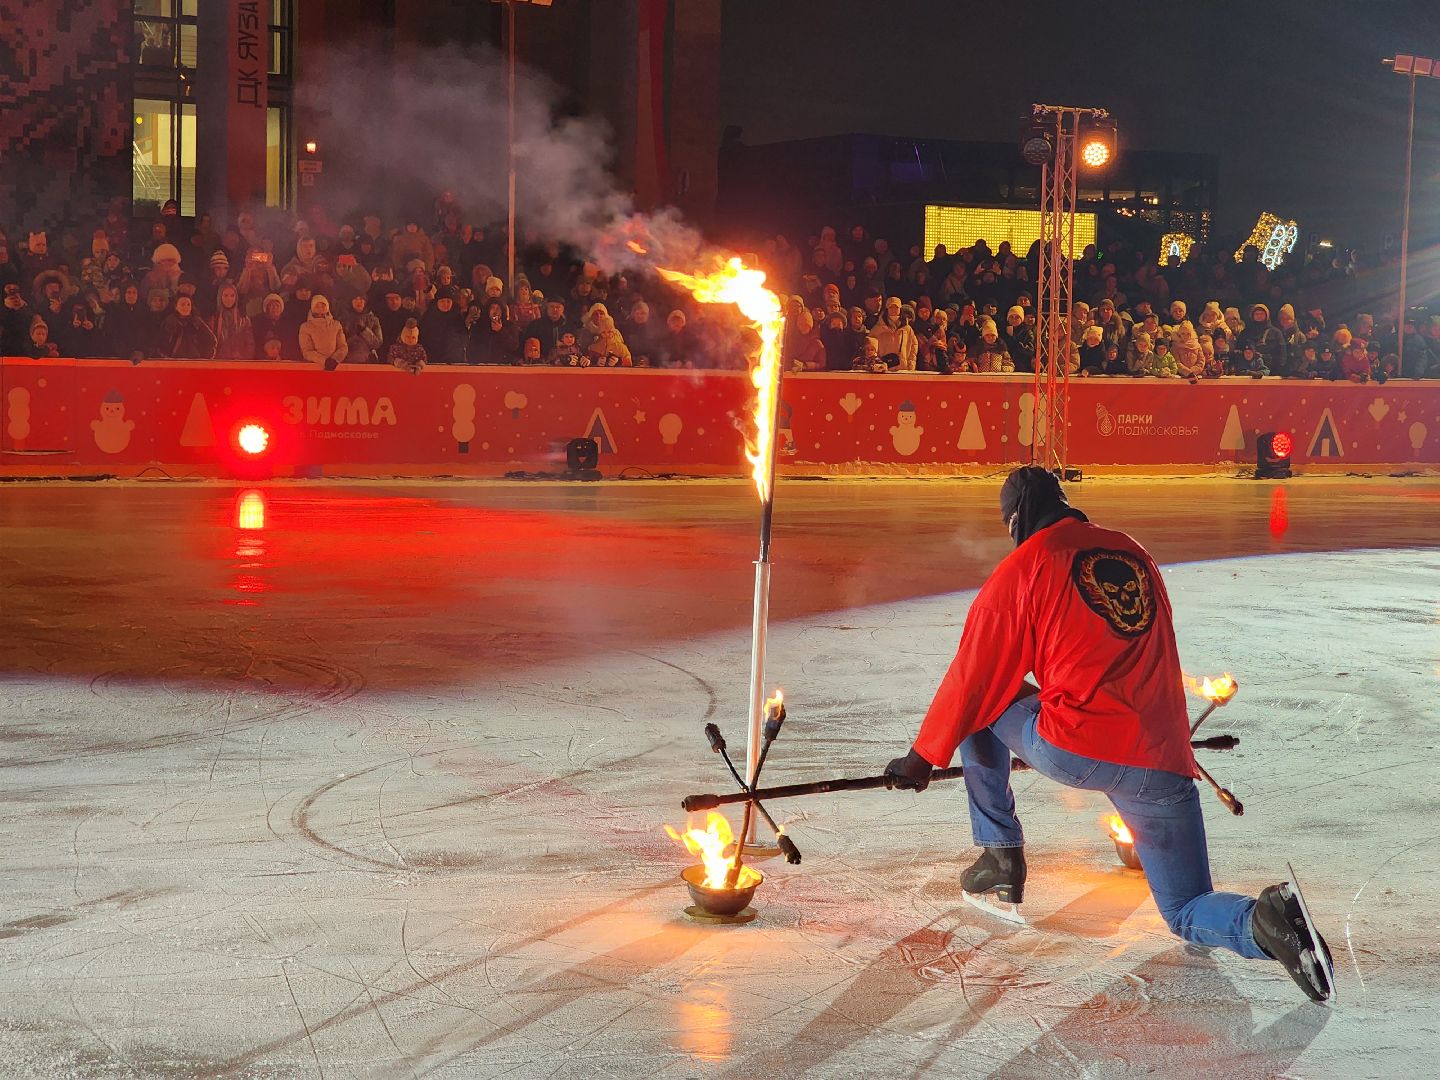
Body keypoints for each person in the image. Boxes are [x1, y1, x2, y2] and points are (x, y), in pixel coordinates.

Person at [882, 467, 1334, 1003]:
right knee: (1187, 907)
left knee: (982, 701)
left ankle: (1000, 852)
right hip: (1163, 755)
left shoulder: (1023, 568)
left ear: (1017, 519)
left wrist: (921, 757)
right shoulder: (1132, 552)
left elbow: (972, 676)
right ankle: (1265, 923)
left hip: (1078, 745)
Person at [298, 295, 348, 369]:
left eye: (323, 305)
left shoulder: (336, 325)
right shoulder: (306, 327)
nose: (320, 308)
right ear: (312, 308)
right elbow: (307, 351)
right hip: (314, 367)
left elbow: (342, 347)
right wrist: (324, 361)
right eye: (317, 306)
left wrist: (334, 360)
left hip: (335, 366)